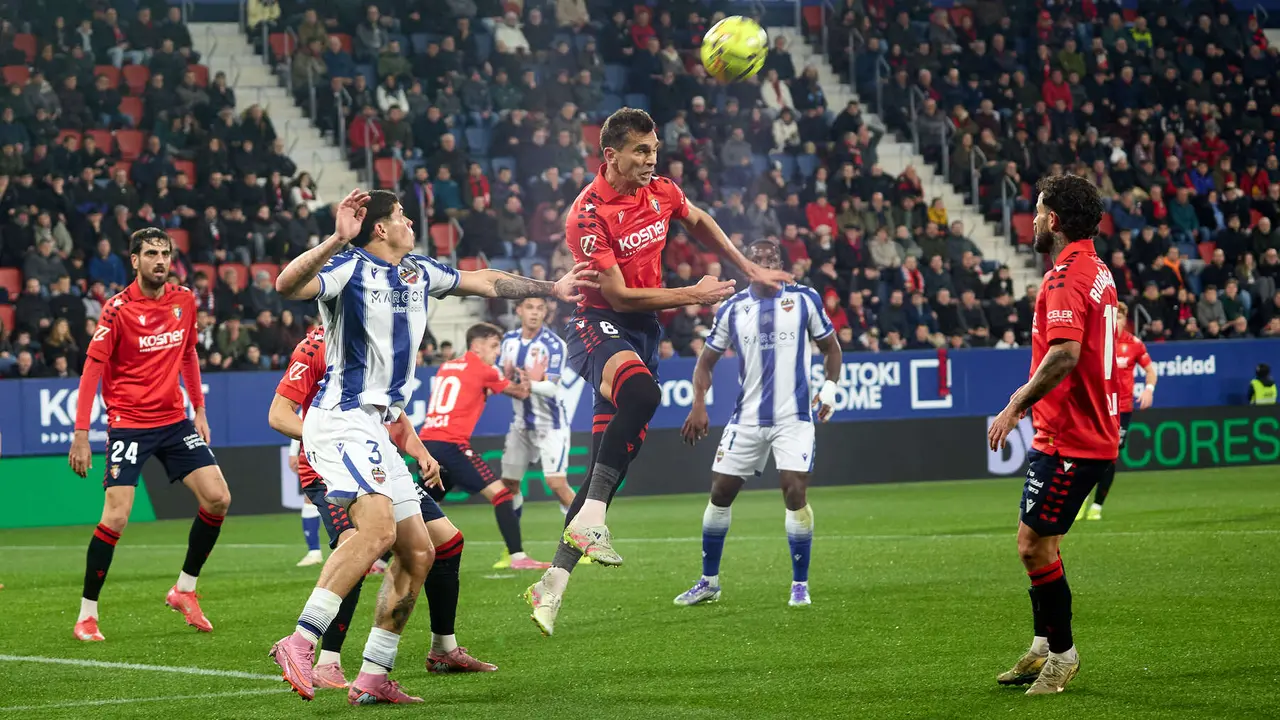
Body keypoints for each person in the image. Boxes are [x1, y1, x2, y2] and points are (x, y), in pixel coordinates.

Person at [267, 189, 596, 704]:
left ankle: (374, 675)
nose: (411, 223)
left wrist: (552, 287)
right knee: (375, 533)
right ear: (380, 229)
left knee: (422, 551)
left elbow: (484, 280)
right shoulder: (348, 268)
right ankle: (301, 641)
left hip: (380, 424)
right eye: (401, 216)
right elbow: (287, 285)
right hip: (342, 418)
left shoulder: (418, 271)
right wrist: (336, 238)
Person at [524, 108, 793, 637]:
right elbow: (618, 294)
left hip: (643, 330)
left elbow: (700, 221)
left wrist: (751, 269)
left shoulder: (662, 190)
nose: (651, 160)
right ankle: (593, 523)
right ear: (610, 155)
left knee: (607, 468)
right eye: (640, 151)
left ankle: (551, 583)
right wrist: (694, 294)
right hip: (596, 322)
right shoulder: (587, 213)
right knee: (644, 396)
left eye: (654, 149)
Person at [268, 327, 497, 688]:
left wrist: (420, 451)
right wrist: (328, 437)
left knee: (445, 542)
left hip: (379, 460)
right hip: (330, 467)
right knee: (361, 542)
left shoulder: (379, 340)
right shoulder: (316, 345)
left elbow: (392, 411)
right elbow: (279, 415)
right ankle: (327, 659)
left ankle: (442, 649)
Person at [988, 174, 1117, 696]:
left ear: (1055, 221)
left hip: (1073, 437)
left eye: (1039, 211)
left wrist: (1015, 404)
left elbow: (1063, 354)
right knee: (1045, 544)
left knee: (1032, 548)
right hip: (1074, 431)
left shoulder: (1064, 276)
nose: (1034, 220)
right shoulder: (1097, 268)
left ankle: (1062, 656)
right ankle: (1043, 646)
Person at [68, 229, 231, 642]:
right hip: (128, 423)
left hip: (175, 420)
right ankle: (87, 615)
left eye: (165, 254)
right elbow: (91, 369)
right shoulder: (116, 309)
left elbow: (189, 353)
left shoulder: (184, 300)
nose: (160, 260)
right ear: (135, 260)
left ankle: (185, 590)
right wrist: (81, 433)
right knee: (118, 515)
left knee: (218, 497)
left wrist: (199, 409)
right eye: (151, 254)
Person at [674, 240, 842, 607]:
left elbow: (831, 348)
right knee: (720, 493)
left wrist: (829, 388)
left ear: (781, 264)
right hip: (746, 418)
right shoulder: (733, 309)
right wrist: (698, 403)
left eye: (771, 258)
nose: (765, 263)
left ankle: (800, 584)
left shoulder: (804, 299)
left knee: (794, 491)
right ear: (745, 267)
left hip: (793, 417)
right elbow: (706, 361)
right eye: (756, 259)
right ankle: (709, 581)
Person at [417, 323, 550, 571]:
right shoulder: (483, 369)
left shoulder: (449, 365)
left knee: (420, 505)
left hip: (427, 444)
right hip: (452, 444)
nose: (497, 352)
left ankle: (380, 561)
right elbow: (520, 393)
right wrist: (527, 379)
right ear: (476, 346)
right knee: (501, 495)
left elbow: (473, 390)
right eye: (493, 346)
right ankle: (518, 557)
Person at [496, 296, 577, 570]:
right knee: (508, 485)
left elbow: (554, 386)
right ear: (518, 310)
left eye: (540, 308)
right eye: (529, 307)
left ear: (546, 313)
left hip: (550, 424)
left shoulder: (554, 345)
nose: (534, 313)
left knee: (557, 484)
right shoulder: (507, 340)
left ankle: (587, 542)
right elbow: (497, 372)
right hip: (520, 424)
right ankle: (513, 551)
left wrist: (529, 384)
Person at [1077, 301, 1157, 521]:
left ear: (1125, 320)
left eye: (1120, 317)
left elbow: (1150, 371)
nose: (1116, 322)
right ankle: (1080, 499)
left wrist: (1149, 389)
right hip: (1098, 408)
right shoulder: (1098, 342)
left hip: (1121, 410)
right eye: (1112, 317)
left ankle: (1097, 506)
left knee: (1109, 458)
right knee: (1086, 455)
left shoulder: (1135, 344)